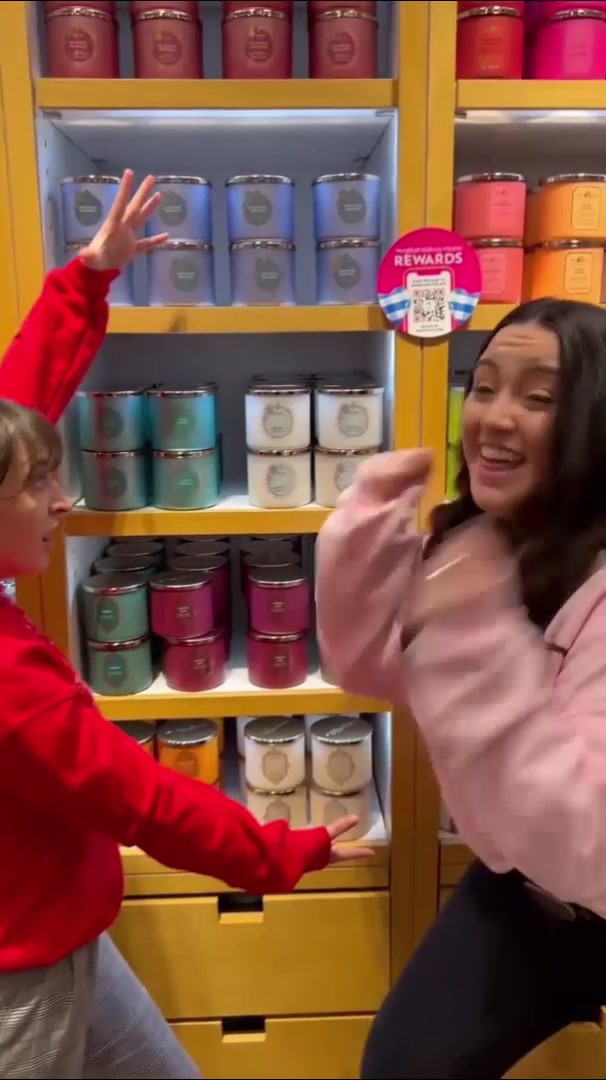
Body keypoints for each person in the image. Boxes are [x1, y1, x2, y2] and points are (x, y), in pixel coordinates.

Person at [0, 170, 371, 1080]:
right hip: (23, 972)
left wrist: (87, 278)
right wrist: (280, 851)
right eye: (39, 485)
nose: (65, 499)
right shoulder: (12, 686)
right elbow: (143, 799)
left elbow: (17, 407)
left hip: (59, 924)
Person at [316, 298, 606, 1080]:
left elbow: (588, 839)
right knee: (403, 1065)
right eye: (484, 387)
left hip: (585, 865)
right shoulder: (492, 544)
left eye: (539, 397)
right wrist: (365, 540)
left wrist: (473, 639)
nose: (495, 417)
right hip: (527, 884)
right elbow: (377, 670)